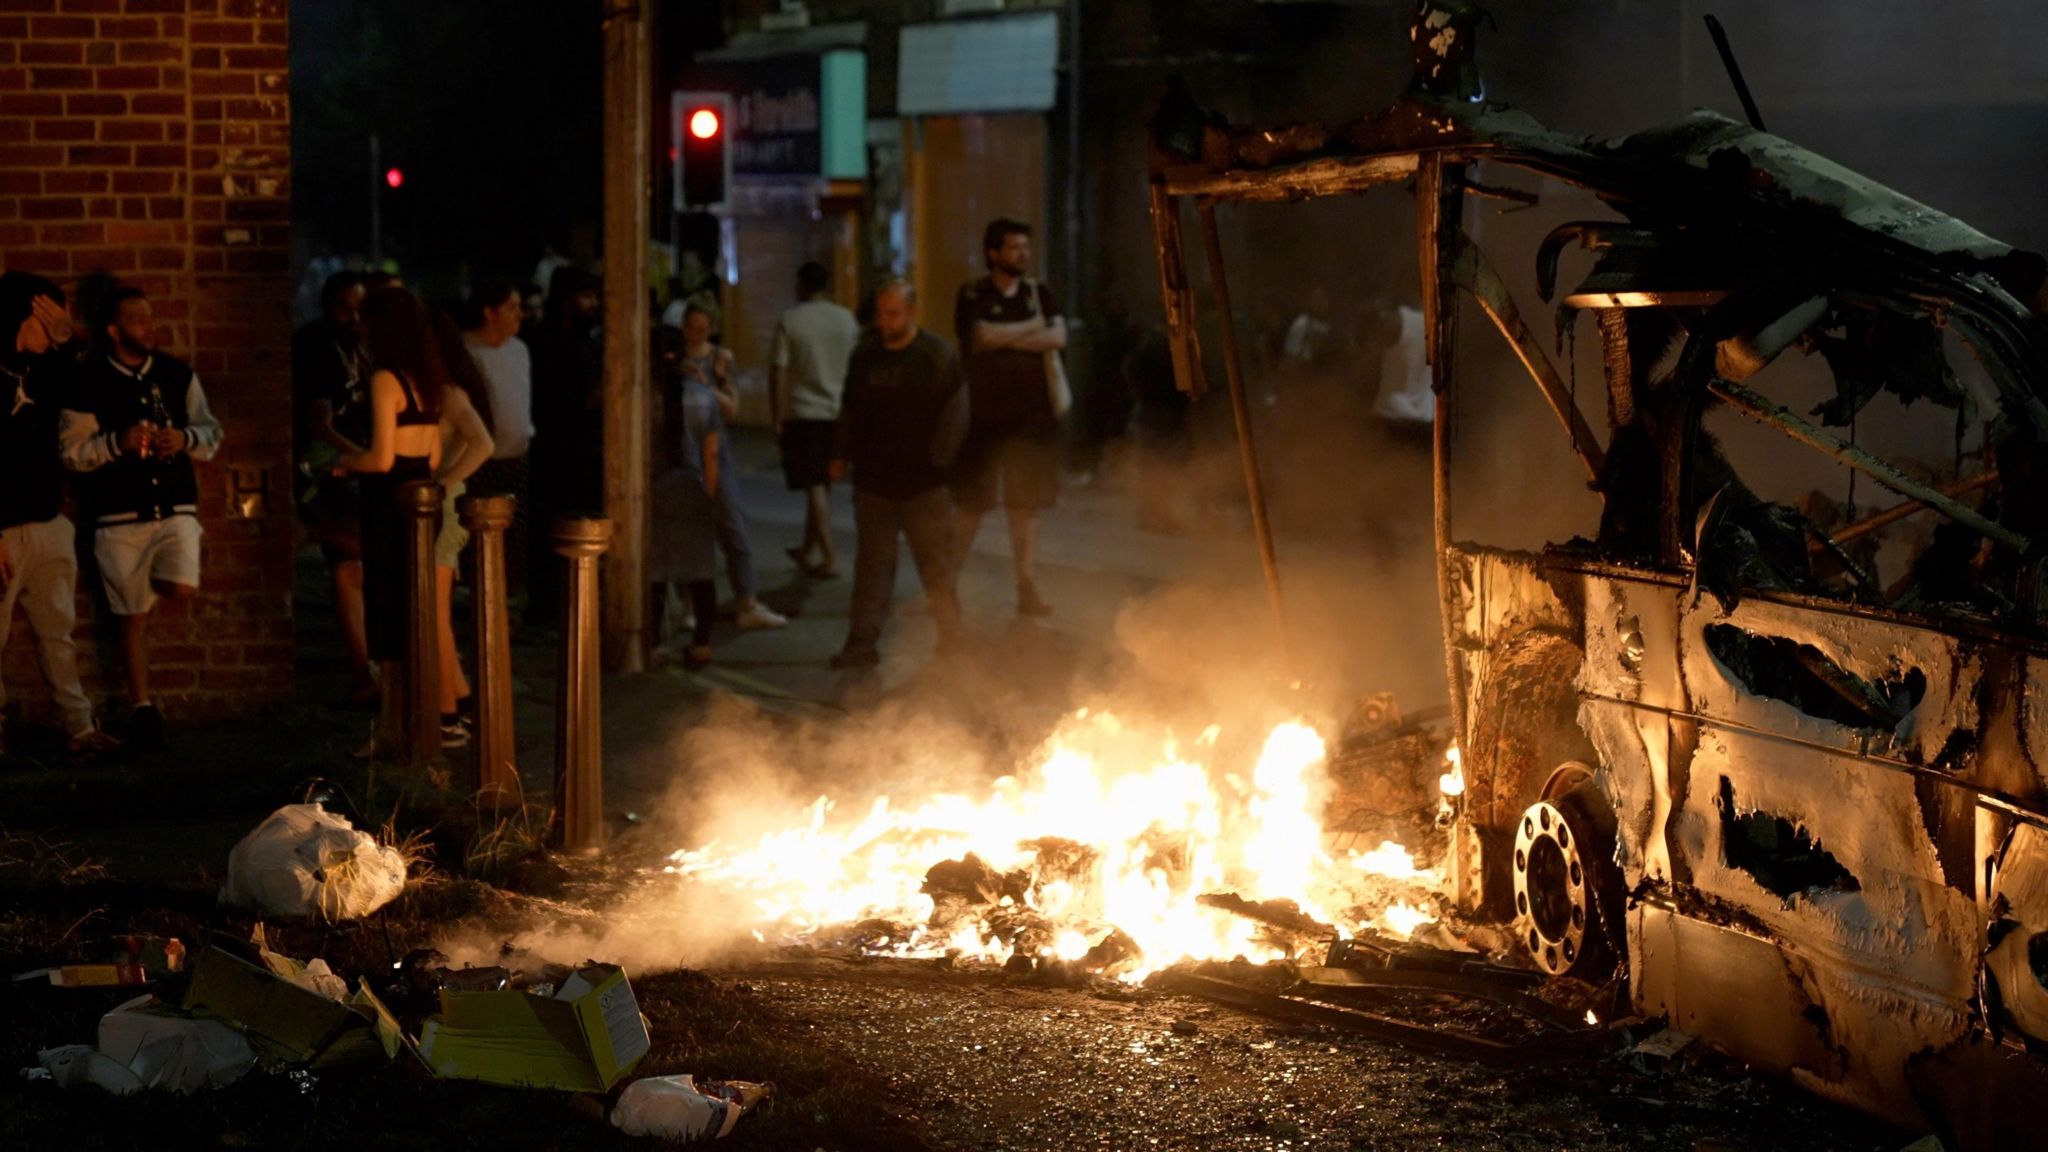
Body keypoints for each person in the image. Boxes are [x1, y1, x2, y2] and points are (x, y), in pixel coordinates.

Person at [60, 286, 225, 751]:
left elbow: (211, 430)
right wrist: (117, 443)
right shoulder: (88, 379)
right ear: (113, 330)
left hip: (175, 508)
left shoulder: (175, 374)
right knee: (130, 615)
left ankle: (150, 581)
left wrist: (186, 438)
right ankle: (142, 705)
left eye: (150, 319)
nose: (149, 328)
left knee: (180, 584)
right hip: (118, 514)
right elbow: (72, 453)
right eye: (137, 320)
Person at [0, 272, 120, 761]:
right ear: (28, 311)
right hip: (3, 528)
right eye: (50, 312)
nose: (58, 322)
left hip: (47, 520)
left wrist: (68, 342)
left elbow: (90, 392)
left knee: (58, 633)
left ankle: (79, 727)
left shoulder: (49, 368)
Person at [830, 280, 968, 671]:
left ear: (911, 313)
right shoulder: (866, 354)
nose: (883, 321)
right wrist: (839, 453)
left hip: (923, 485)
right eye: (880, 313)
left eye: (892, 313)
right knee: (872, 568)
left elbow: (956, 413)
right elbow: (850, 407)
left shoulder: (935, 356)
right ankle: (861, 646)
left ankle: (953, 641)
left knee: (935, 566)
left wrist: (941, 463)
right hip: (875, 483)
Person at [341, 287, 444, 737]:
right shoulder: (427, 379)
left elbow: (381, 458)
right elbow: (435, 455)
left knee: (387, 613)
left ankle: (391, 729)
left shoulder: (385, 381)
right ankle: (416, 722)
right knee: (415, 612)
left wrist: (345, 462)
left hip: (389, 501)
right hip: (424, 497)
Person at [951, 218, 1067, 618]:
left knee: (1026, 507)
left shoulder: (1038, 293)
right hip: (983, 420)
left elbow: (1058, 338)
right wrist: (1031, 331)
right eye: (1015, 248)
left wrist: (1006, 333)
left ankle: (1026, 587)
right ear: (993, 254)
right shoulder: (972, 294)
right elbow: (980, 337)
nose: (1023, 254)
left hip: (1031, 421)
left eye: (1025, 247)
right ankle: (945, 586)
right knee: (971, 505)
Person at [293, 270, 377, 705]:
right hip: (334, 472)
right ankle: (363, 671)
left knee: (358, 567)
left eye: (360, 307)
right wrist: (365, 455)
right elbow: (319, 424)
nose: (354, 316)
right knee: (348, 566)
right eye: (346, 307)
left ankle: (368, 668)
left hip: (356, 467)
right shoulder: (317, 347)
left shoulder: (359, 347)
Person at [677, 304, 786, 631]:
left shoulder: (718, 361)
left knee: (732, 524)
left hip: (715, 450)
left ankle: (747, 601)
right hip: (684, 451)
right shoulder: (672, 358)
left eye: (702, 328)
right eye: (691, 327)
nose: (696, 333)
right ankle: (688, 608)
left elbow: (732, 407)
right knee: (688, 531)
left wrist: (705, 384)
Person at [648, 311, 731, 669]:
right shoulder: (701, 394)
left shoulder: (642, 398)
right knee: (700, 569)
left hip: (653, 489)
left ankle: (652, 645)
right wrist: (710, 494)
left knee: (655, 572)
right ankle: (701, 644)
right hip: (695, 486)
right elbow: (712, 451)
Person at [429, 313, 496, 746]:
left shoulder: (448, 391)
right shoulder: (446, 387)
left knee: (435, 615)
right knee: (438, 616)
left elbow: (484, 444)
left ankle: (450, 714)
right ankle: (461, 704)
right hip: (442, 503)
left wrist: (444, 481)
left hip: (443, 508)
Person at [770, 261, 860, 578]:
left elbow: (779, 369)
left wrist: (777, 414)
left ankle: (830, 557)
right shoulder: (846, 319)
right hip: (837, 412)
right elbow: (856, 365)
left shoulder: (791, 319)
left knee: (814, 485)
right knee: (821, 482)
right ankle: (808, 548)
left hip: (804, 412)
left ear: (803, 285)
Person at [525, 267, 603, 624]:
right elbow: (559, 398)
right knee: (555, 530)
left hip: (582, 452)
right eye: (586, 297)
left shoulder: (587, 341)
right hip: (558, 453)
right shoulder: (549, 342)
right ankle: (551, 606)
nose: (594, 305)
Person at [461, 279, 533, 592]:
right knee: (478, 538)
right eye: (511, 308)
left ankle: (507, 601)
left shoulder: (519, 350)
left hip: (516, 455)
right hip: (480, 460)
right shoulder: (467, 350)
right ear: (489, 312)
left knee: (514, 537)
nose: (520, 315)